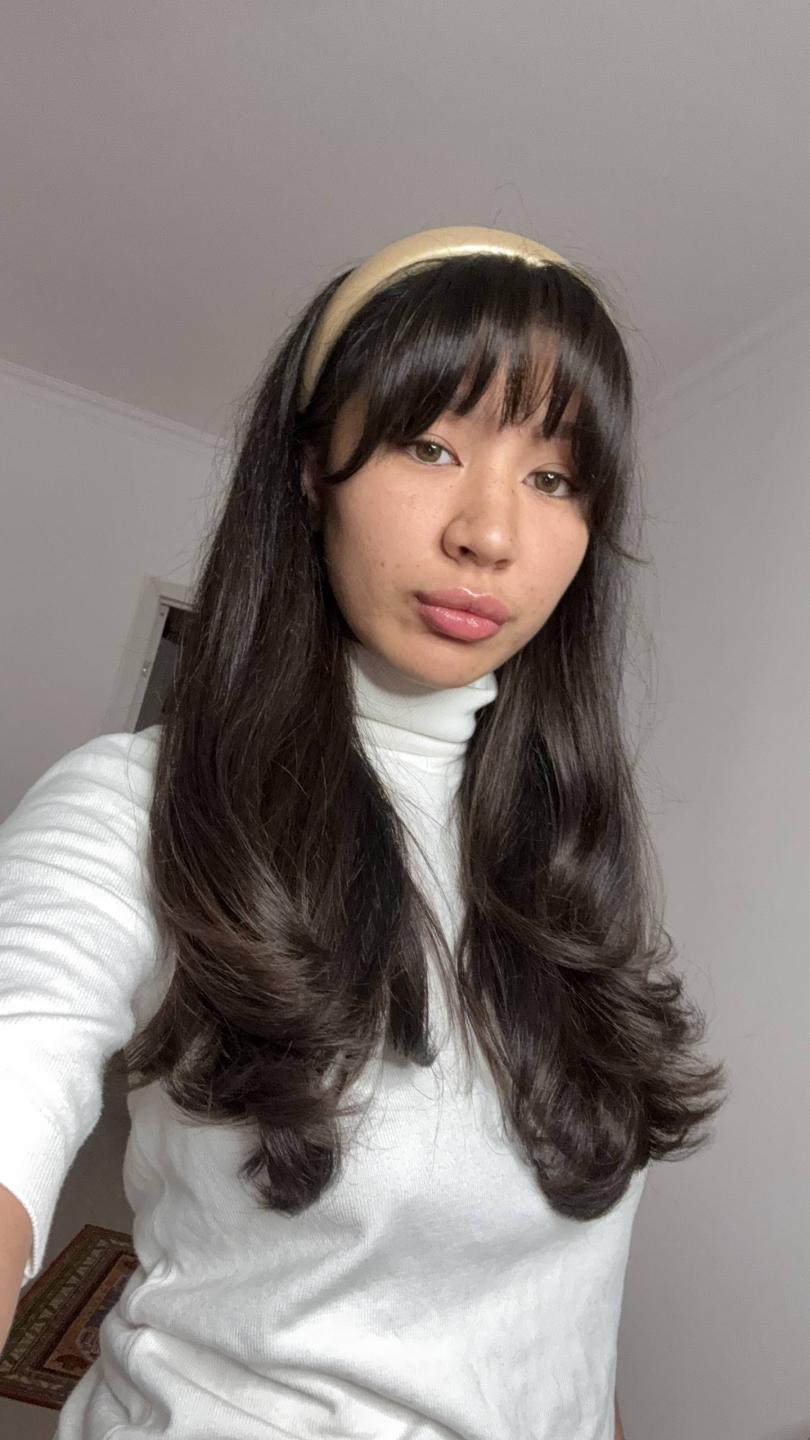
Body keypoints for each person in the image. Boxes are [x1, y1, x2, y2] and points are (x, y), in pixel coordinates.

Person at [0, 225, 727, 1439]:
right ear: (311, 469)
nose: (489, 533)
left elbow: (558, 1321)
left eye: (553, 478)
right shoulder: (139, 805)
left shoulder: (561, 854)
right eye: (430, 444)